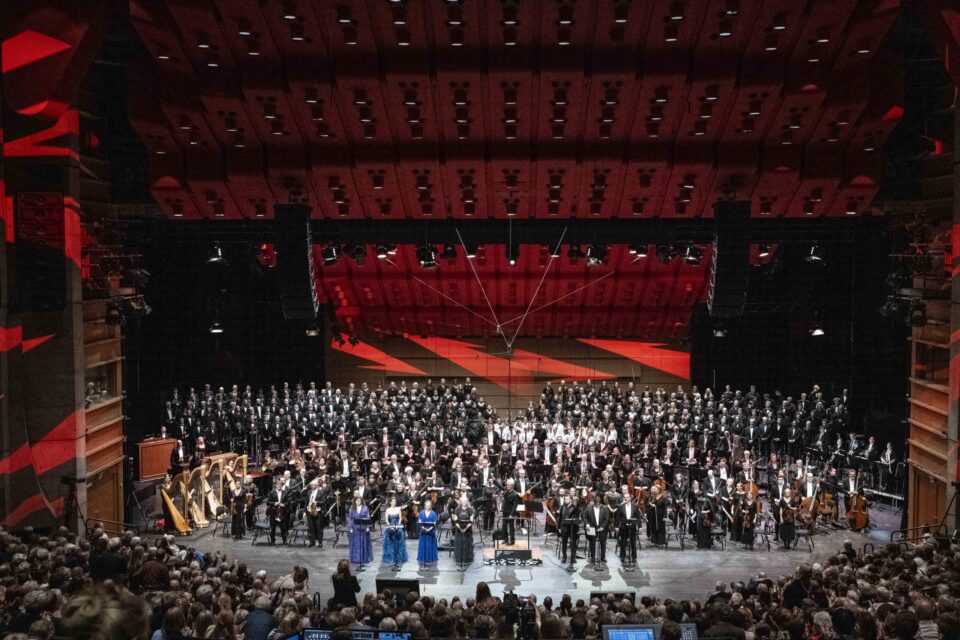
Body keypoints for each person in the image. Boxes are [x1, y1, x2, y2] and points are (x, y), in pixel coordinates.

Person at [582, 495, 609, 565]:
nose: (597, 506)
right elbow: (584, 516)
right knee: (592, 543)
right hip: (592, 527)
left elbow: (607, 519)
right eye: (596, 504)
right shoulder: (589, 507)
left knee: (603, 543)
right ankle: (593, 557)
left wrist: (602, 527)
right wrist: (587, 524)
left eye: (599, 504)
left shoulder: (605, 508)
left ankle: (603, 557)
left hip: (602, 528)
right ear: (594, 503)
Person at [382, 496, 408, 567]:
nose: (394, 503)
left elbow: (400, 518)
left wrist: (398, 525)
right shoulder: (387, 510)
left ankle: (399, 556)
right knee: (389, 535)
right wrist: (390, 526)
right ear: (390, 502)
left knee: (400, 534)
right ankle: (391, 556)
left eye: (395, 501)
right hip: (390, 525)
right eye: (392, 501)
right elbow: (386, 520)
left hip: (397, 525)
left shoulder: (398, 509)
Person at [348, 494, 373, 565]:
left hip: (363, 528)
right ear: (355, 501)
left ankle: (364, 558)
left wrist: (368, 527)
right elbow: (350, 519)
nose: (358, 502)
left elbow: (368, 517)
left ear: (361, 501)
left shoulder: (365, 508)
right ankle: (356, 558)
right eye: (357, 501)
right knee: (356, 544)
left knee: (363, 543)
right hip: (355, 528)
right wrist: (350, 528)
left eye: (359, 500)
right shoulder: (352, 508)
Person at [616, 487, 639, 564]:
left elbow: (638, 517)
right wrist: (616, 526)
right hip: (624, 527)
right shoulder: (620, 506)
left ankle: (634, 557)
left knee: (633, 543)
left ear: (630, 498)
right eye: (624, 498)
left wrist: (640, 526)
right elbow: (618, 518)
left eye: (627, 497)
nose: (625, 499)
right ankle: (622, 557)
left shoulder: (635, 506)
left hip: (632, 527)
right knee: (623, 543)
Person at [452, 495, 475, 568]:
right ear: (460, 502)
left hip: (467, 530)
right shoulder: (457, 509)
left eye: (465, 501)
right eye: (462, 501)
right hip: (459, 529)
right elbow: (455, 520)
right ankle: (459, 559)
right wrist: (460, 528)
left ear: (467, 502)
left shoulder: (470, 509)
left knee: (467, 544)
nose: (464, 502)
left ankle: (467, 559)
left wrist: (465, 529)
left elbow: (471, 520)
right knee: (460, 543)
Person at [559, 493, 580, 566]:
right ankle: (564, 557)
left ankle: (573, 558)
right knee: (564, 544)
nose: (565, 500)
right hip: (564, 528)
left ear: (571, 500)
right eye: (565, 499)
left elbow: (577, 519)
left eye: (567, 499)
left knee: (573, 544)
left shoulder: (575, 508)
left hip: (572, 529)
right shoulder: (562, 507)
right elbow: (560, 518)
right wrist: (559, 528)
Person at [417, 498, 439, 566]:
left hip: (431, 532)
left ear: (431, 506)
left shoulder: (433, 513)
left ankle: (430, 558)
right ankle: (423, 558)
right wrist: (424, 528)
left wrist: (429, 529)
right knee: (423, 544)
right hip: (423, 532)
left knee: (430, 544)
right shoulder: (421, 512)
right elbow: (420, 522)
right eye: (426, 505)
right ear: (424, 506)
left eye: (429, 506)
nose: (428, 507)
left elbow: (435, 523)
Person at [303, 478, 324, 548]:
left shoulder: (321, 492)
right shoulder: (309, 492)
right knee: (311, 528)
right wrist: (305, 512)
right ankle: (312, 542)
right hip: (309, 511)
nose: (312, 486)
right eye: (311, 485)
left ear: (317, 485)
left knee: (318, 527)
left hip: (317, 512)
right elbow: (306, 502)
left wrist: (317, 502)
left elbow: (324, 501)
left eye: (314, 485)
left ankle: (320, 542)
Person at [501, 478, 520, 545]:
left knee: (511, 527)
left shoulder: (515, 494)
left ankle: (512, 540)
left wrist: (512, 514)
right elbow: (500, 487)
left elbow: (515, 506)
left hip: (510, 513)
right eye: (507, 485)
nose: (507, 486)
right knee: (504, 526)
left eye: (508, 485)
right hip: (505, 512)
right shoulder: (506, 492)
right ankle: (505, 539)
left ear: (512, 486)